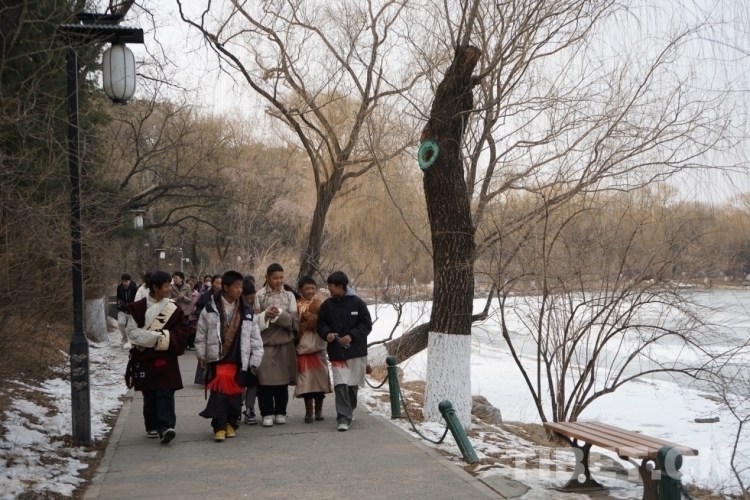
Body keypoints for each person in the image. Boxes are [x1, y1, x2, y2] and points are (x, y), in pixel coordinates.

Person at [196, 271, 263, 441]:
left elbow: (255, 338)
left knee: (235, 394)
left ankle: (231, 423)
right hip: (218, 357)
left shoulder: (247, 311)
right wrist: (201, 354)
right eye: (236, 287)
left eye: (241, 287)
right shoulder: (210, 308)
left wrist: (255, 359)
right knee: (220, 392)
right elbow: (201, 333)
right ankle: (219, 425)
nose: (240, 290)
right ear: (225, 287)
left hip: (239, 358)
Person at [124, 271, 190, 444]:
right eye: (166, 285)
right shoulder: (138, 308)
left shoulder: (173, 309)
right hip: (145, 358)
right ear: (155, 287)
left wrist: (162, 338)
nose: (169, 289)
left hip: (166, 356)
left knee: (166, 391)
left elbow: (182, 331)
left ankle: (167, 427)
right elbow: (132, 333)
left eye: (170, 285)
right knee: (150, 393)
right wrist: (158, 336)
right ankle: (152, 425)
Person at [317, 271, 372, 432]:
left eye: (331, 286)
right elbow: (321, 324)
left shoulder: (358, 303)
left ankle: (349, 409)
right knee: (340, 384)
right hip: (337, 353)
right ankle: (343, 417)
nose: (329, 289)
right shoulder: (327, 305)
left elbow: (366, 325)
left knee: (352, 384)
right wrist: (327, 334)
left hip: (356, 352)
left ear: (340, 286)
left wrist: (351, 336)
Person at [254, 263, 298, 427]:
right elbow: (253, 322)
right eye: (275, 278)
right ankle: (266, 412)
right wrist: (266, 315)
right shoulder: (259, 295)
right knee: (265, 379)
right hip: (265, 343)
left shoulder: (289, 296)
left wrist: (279, 314)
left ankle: (280, 412)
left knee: (282, 381)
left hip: (284, 343)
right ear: (267, 277)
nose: (279, 281)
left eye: (281, 278)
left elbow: (295, 321)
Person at [294, 276, 331, 422]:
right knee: (306, 382)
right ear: (300, 290)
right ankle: (308, 411)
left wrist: (313, 318)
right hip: (303, 349)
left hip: (318, 348)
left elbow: (326, 323)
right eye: (307, 288)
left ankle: (319, 411)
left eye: (313, 288)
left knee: (319, 380)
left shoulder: (320, 304)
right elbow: (293, 325)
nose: (310, 291)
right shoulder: (296, 305)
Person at [241, 279, 259, 425]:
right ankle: (236, 406)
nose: (249, 301)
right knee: (239, 382)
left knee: (252, 382)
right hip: (239, 353)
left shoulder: (256, 308)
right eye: (246, 298)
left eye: (251, 298)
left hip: (253, 352)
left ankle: (250, 408)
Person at [116, 273, 138, 344]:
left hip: (132, 310)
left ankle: (132, 340)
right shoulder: (120, 288)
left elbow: (137, 298)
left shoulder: (134, 288)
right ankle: (124, 337)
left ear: (130, 281)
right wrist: (120, 302)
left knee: (132, 326)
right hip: (123, 309)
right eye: (123, 281)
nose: (125, 283)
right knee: (120, 323)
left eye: (126, 281)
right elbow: (118, 297)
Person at [185, 278, 201, 351]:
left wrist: (194, 310)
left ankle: (191, 344)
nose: (189, 285)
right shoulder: (183, 293)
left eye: (191, 284)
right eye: (188, 284)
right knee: (185, 330)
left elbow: (198, 303)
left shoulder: (196, 293)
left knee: (193, 331)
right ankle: (185, 344)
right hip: (185, 314)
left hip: (193, 315)